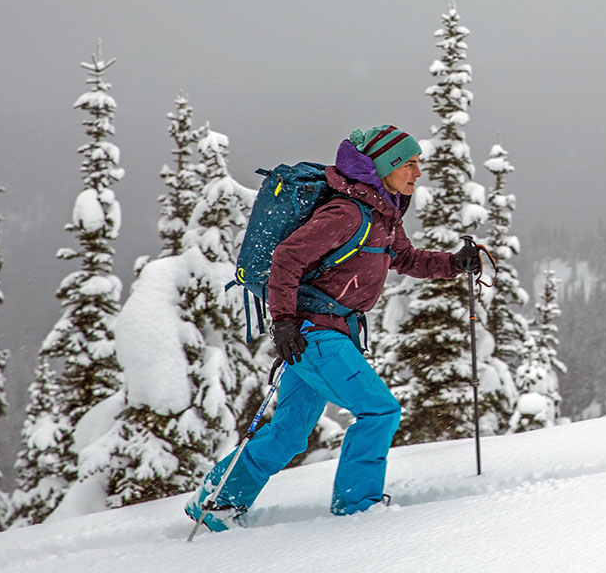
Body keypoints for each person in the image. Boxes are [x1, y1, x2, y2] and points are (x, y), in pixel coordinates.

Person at [185, 125, 480, 530]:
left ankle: (218, 503)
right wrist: (284, 323)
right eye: (409, 163)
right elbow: (287, 258)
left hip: (325, 333)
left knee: (289, 434)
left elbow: (406, 259)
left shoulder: (383, 213)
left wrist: (454, 264)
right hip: (313, 334)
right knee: (379, 411)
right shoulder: (346, 213)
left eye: (419, 164)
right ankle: (358, 510)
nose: (417, 172)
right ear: (384, 167)